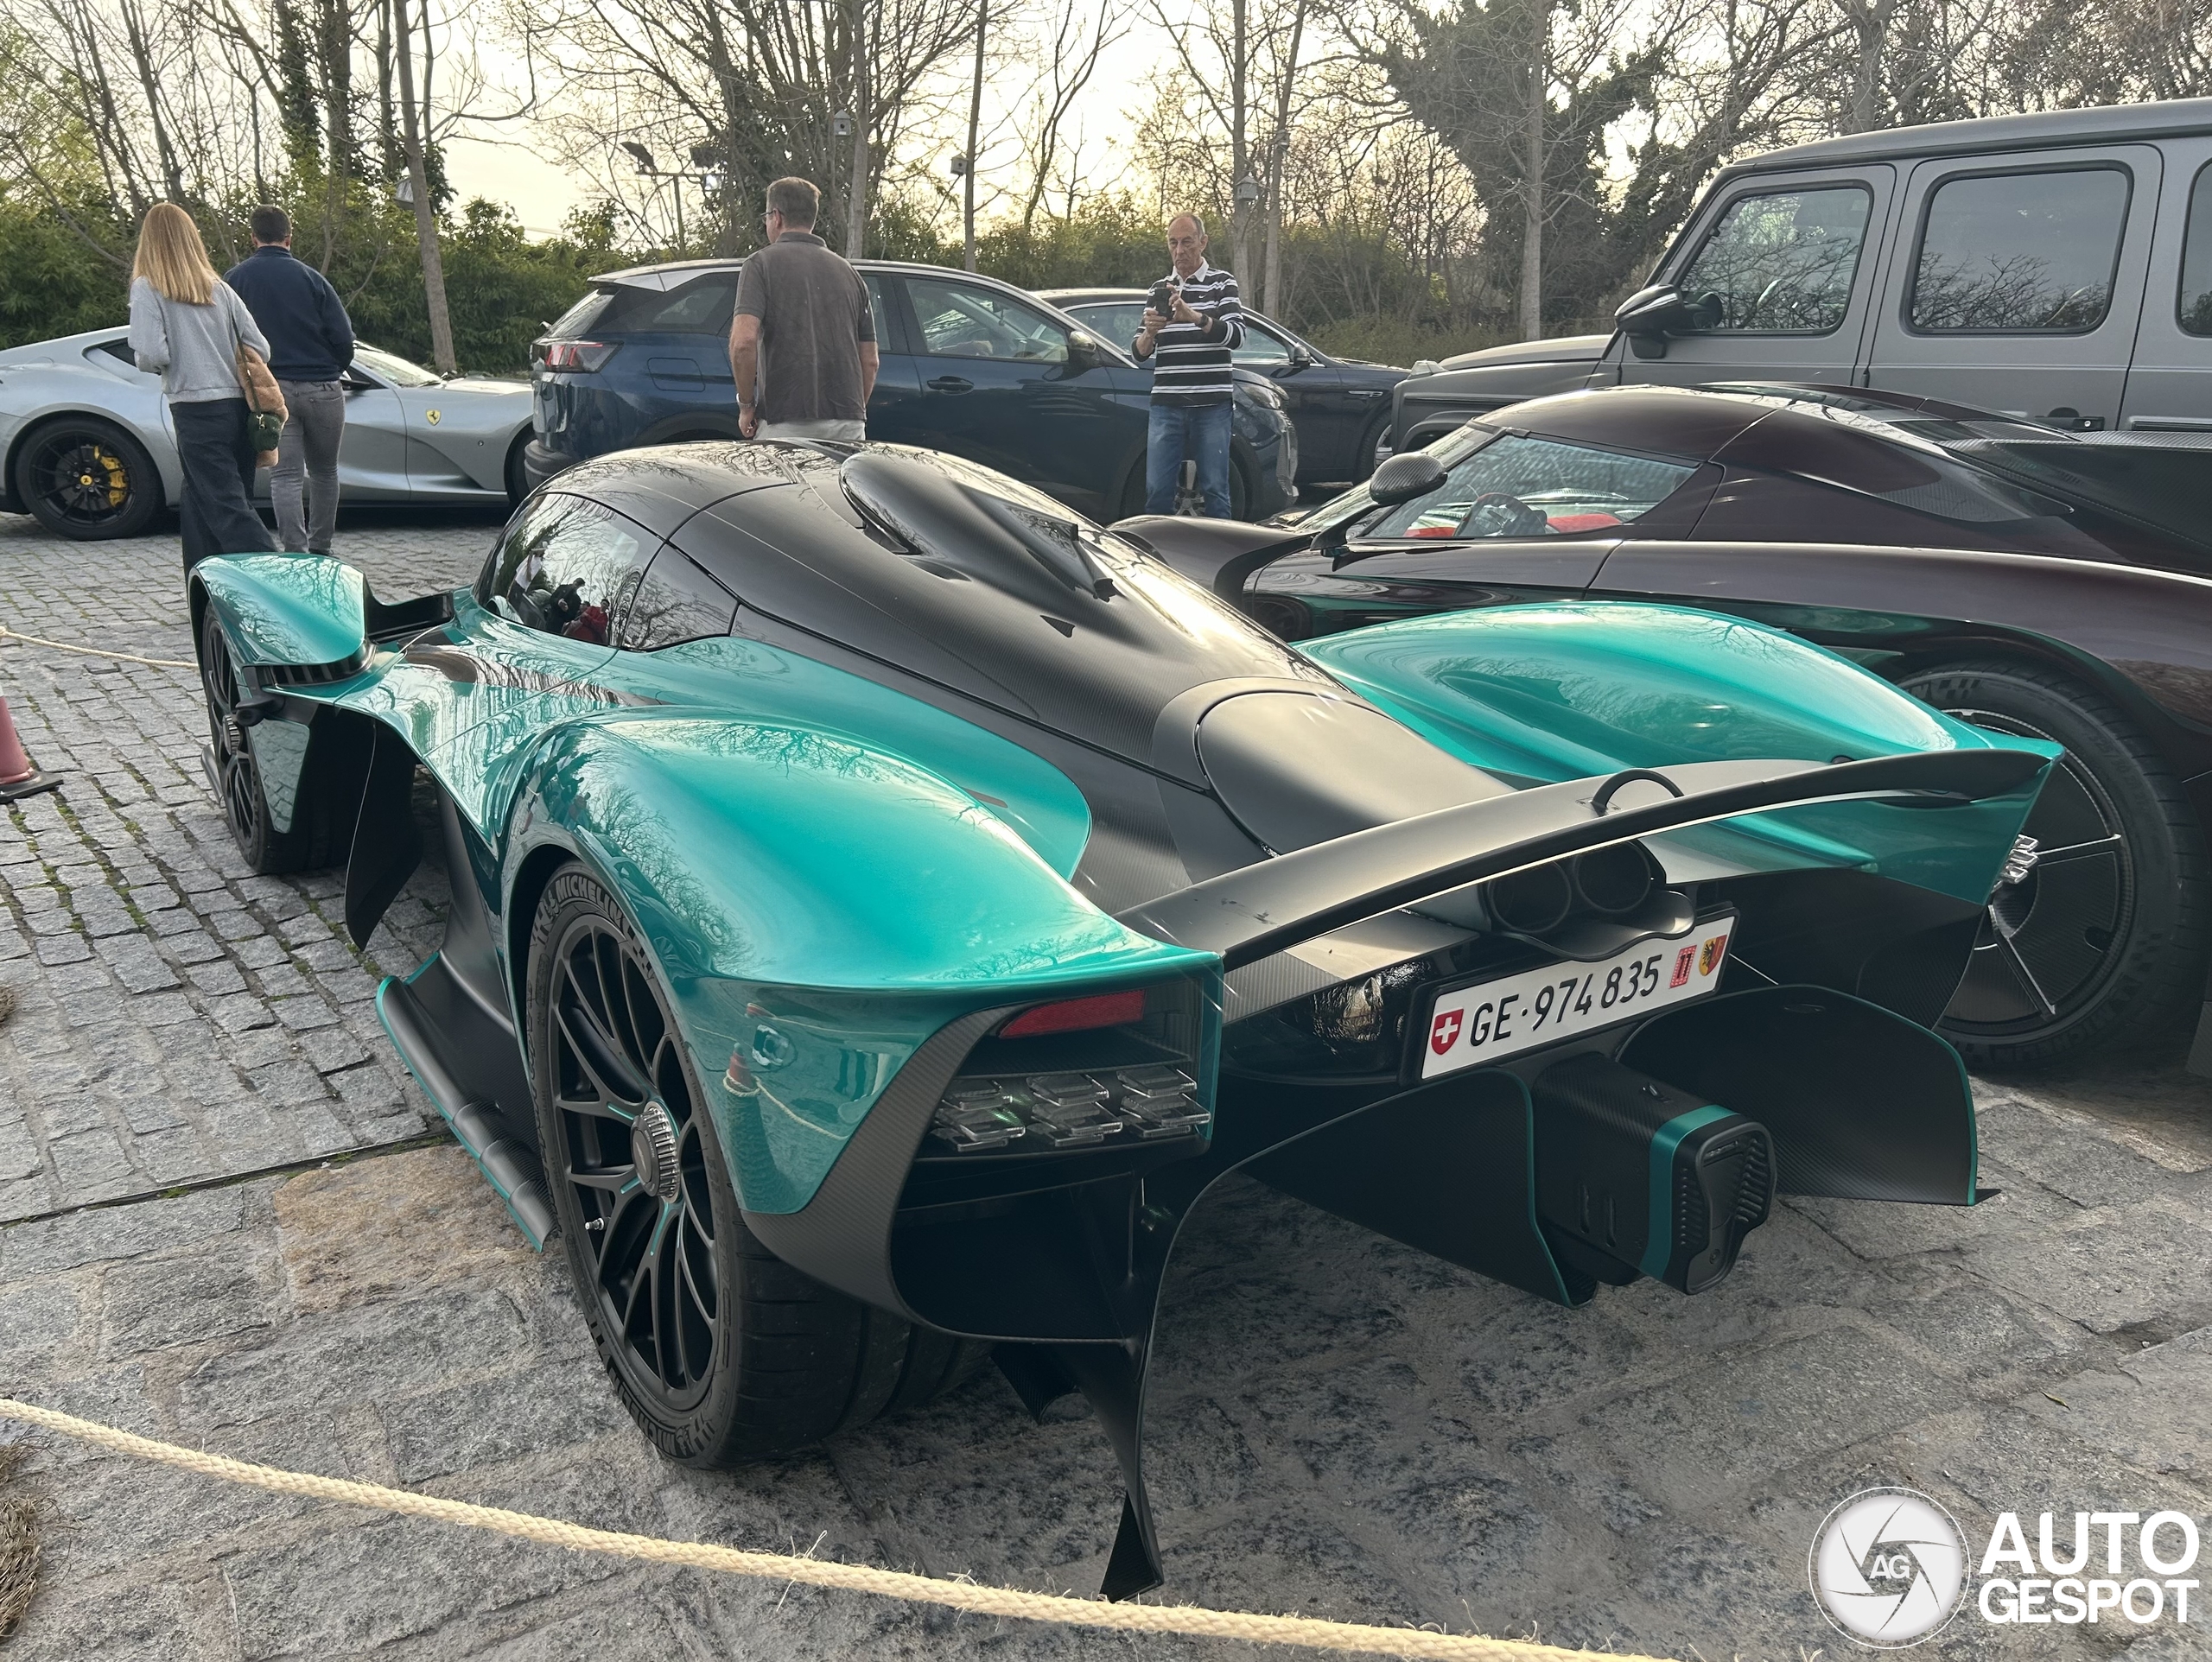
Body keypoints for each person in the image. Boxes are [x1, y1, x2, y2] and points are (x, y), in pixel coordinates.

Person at [126, 204, 280, 573]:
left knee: (226, 507)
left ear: (150, 242)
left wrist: (168, 360)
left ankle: (280, 580)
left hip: (195, 409)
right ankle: (207, 588)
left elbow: (150, 353)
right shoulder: (220, 289)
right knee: (203, 500)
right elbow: (261, 348)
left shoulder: (149, 288)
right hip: (239, 408)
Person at [225, 204, 356, 555]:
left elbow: (227, 338)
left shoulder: (234, 281)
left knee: (286, 476)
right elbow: (344, 339)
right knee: (326, 472)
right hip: (323, 389)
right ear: (289, 237)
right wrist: (330, 368)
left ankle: (295, 552)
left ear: (253, 237)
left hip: (271, 391)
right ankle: (322, 548)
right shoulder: (313, 279)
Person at [728, 177, 878, 443]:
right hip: (848, 424)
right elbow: (870, 361)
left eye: (766, 216)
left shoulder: (760, 265)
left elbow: (743, 343)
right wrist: (853, 412)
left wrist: (746, 405)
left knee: (786, 487)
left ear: (776, 217)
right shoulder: (850, 273)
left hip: (785, 420)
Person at [1133, 213, 1246, 517]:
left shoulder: (1222, 283)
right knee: (1157, 488)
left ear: (1203, 242)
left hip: (1212, 405)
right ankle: (1159, 556)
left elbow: (1237, 336)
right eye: (1173, 243)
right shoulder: (1160, 288)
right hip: (1166, 405)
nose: (1180, 251)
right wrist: (1150, 332)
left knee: (1215, 490)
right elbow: (1139, 353)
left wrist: (1194, 317)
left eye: (1187, 242)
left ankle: (1219, 556)